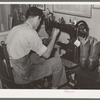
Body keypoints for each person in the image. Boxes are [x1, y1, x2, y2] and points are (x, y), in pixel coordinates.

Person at [6, 7, 67, 89]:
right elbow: (47, 55)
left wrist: (42, 40)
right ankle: (54, 90)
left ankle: (48, 80)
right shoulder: (31, 32)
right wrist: (54, 37)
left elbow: (27, 42)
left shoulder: (16, 28)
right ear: (38, 18)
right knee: (57, 61)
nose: (39, 23)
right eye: (40, 21)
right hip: (22, 76)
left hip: (9, 72)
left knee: (36, 57)